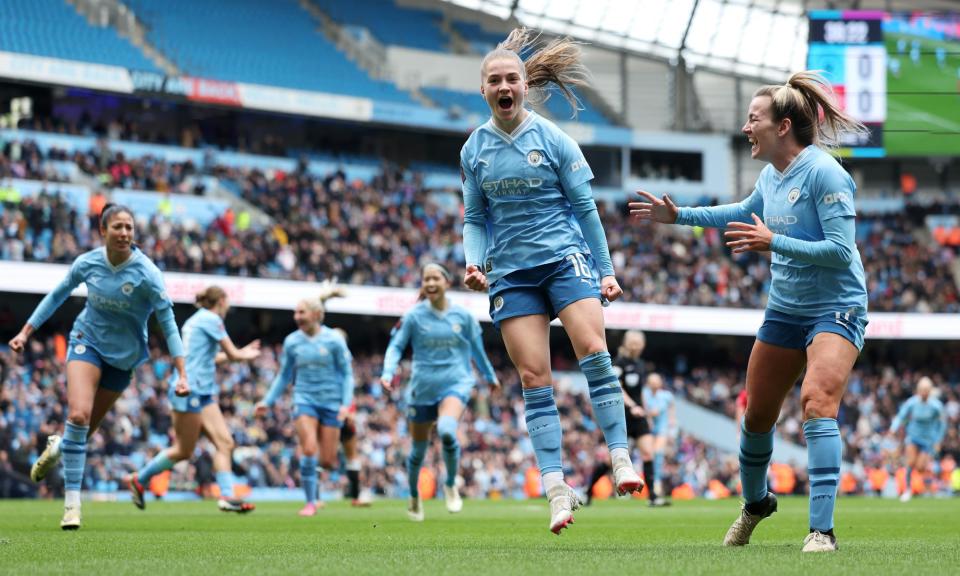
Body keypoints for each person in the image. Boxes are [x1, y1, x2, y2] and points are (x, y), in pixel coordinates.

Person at [630, 70, 869, 552]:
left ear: (782, 126)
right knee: (757, 415)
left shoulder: (826, 173)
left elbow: (842, 251)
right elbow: (739, 210)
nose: (745, 127)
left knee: (817, 402)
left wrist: (773, 241)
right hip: (785, 308)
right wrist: (681, 218)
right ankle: (756, 503)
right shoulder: (770, 174)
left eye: (753, 118)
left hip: (836, 308)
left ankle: (821, 530)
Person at [460, 27, 643, 535]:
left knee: (593, 349)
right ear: (483, 90)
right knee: (534, 377)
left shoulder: (555, 140)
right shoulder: (473, 150)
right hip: (512, 273)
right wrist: (474, 262)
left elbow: (586, 209)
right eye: (494, 79)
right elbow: (476, 218)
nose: (504, 86)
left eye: (511, 78)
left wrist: (606, 272)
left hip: (564, 259)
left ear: (524, 85)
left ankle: (621, 457)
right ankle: (557, 488)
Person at [8, 204, 188, 530]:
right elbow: (57, 295)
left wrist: (182, 371)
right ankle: (72, 506)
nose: (124, 233)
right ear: (103, 231)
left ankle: (59, 446)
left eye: (129, 227)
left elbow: (168, 323)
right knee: (78, 415)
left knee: (84, 430)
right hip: (85, 341)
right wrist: (25, 332)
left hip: (124, 359)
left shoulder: (147, 274)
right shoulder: (88, 263)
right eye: (117, 227)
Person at [380, 263, 498, 522]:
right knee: (418, 452)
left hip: (455, 383)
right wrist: (388, 373)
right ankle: (413, 495)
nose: (430, 283)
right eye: (426, 279)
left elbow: (477, 349)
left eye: (435, 278)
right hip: (422, 389)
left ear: (446, 283)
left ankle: (451, 484)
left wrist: (490, 377)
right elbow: (395, 347)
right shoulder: (413, 316)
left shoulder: (463, 317)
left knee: (446, 430)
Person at [127, 286, 260, 513]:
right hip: (189, 389)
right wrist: (244, 354)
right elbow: (232, 355)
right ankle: (140, 478)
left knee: (225, 443)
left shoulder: (198, 320)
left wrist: (240, 353)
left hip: (200, 391)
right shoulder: (212, 319)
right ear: (221, 301)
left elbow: (210, 358)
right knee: (183, 450)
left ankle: (226, 496)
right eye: (227, 302)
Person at [254, 289, 354, 517]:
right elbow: (284, 375)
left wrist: (345, 405)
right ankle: (310, 502)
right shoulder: (292, 342)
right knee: (308, 447)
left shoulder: (334, 340)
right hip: (304, 400)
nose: (297, 317)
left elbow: (347, 374)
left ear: (317, 314)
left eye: (302, 312)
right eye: (295, 312)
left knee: (327, 461)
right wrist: (267, 401)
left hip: (331, 402)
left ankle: (313, 483)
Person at [585, 330, 665, 506]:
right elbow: (617, 388)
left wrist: (644, 410)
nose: (636, 345)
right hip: (623, 414)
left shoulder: (641, 364)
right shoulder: (619, 363)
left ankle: (652, 497)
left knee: (648, 453)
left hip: (639, 415)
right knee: (609, 460)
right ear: (627, 343)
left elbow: (640, 391)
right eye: (633, 342)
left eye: (639, 342)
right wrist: (632, 406)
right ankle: (588, 491)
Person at [889, 376, 946, 502]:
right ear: (918, 390)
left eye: (926, 390)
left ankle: (928, 487)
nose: (924, 392)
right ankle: (907, 490)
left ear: (930, 391)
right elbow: (901, 416)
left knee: (920, 467)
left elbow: (942, 424)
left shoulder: (936, 406)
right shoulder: (912, 402)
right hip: (913, 436)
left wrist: (938, 441)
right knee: (910, 462)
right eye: (922, 389)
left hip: (928, 440)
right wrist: (893, 428)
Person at [643, 373, 676, 498]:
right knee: (648, 455)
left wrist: (672, 421)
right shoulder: (645, 394)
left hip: (662, 428)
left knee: (658, 453)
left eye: (656, 381)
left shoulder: (666, 396)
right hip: (648, 428)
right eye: (652, 381)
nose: (654, 384)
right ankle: (650, 483)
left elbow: (671, 408)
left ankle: (656, 482)